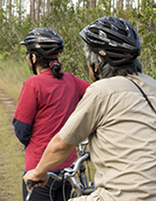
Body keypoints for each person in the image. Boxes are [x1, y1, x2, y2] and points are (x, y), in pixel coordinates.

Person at [23, 16, 156, 201]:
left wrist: (39, 172)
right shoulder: (152, 85)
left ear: (97, 63)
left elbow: (61, 145)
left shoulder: (101, 90)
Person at [13, 27, 90, 201]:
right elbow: (98, 94)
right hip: (68, 167)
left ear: (33, 58)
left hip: (39, 167)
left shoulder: (32, 84)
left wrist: (35, 143)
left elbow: (21, 128)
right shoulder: (71, 80)